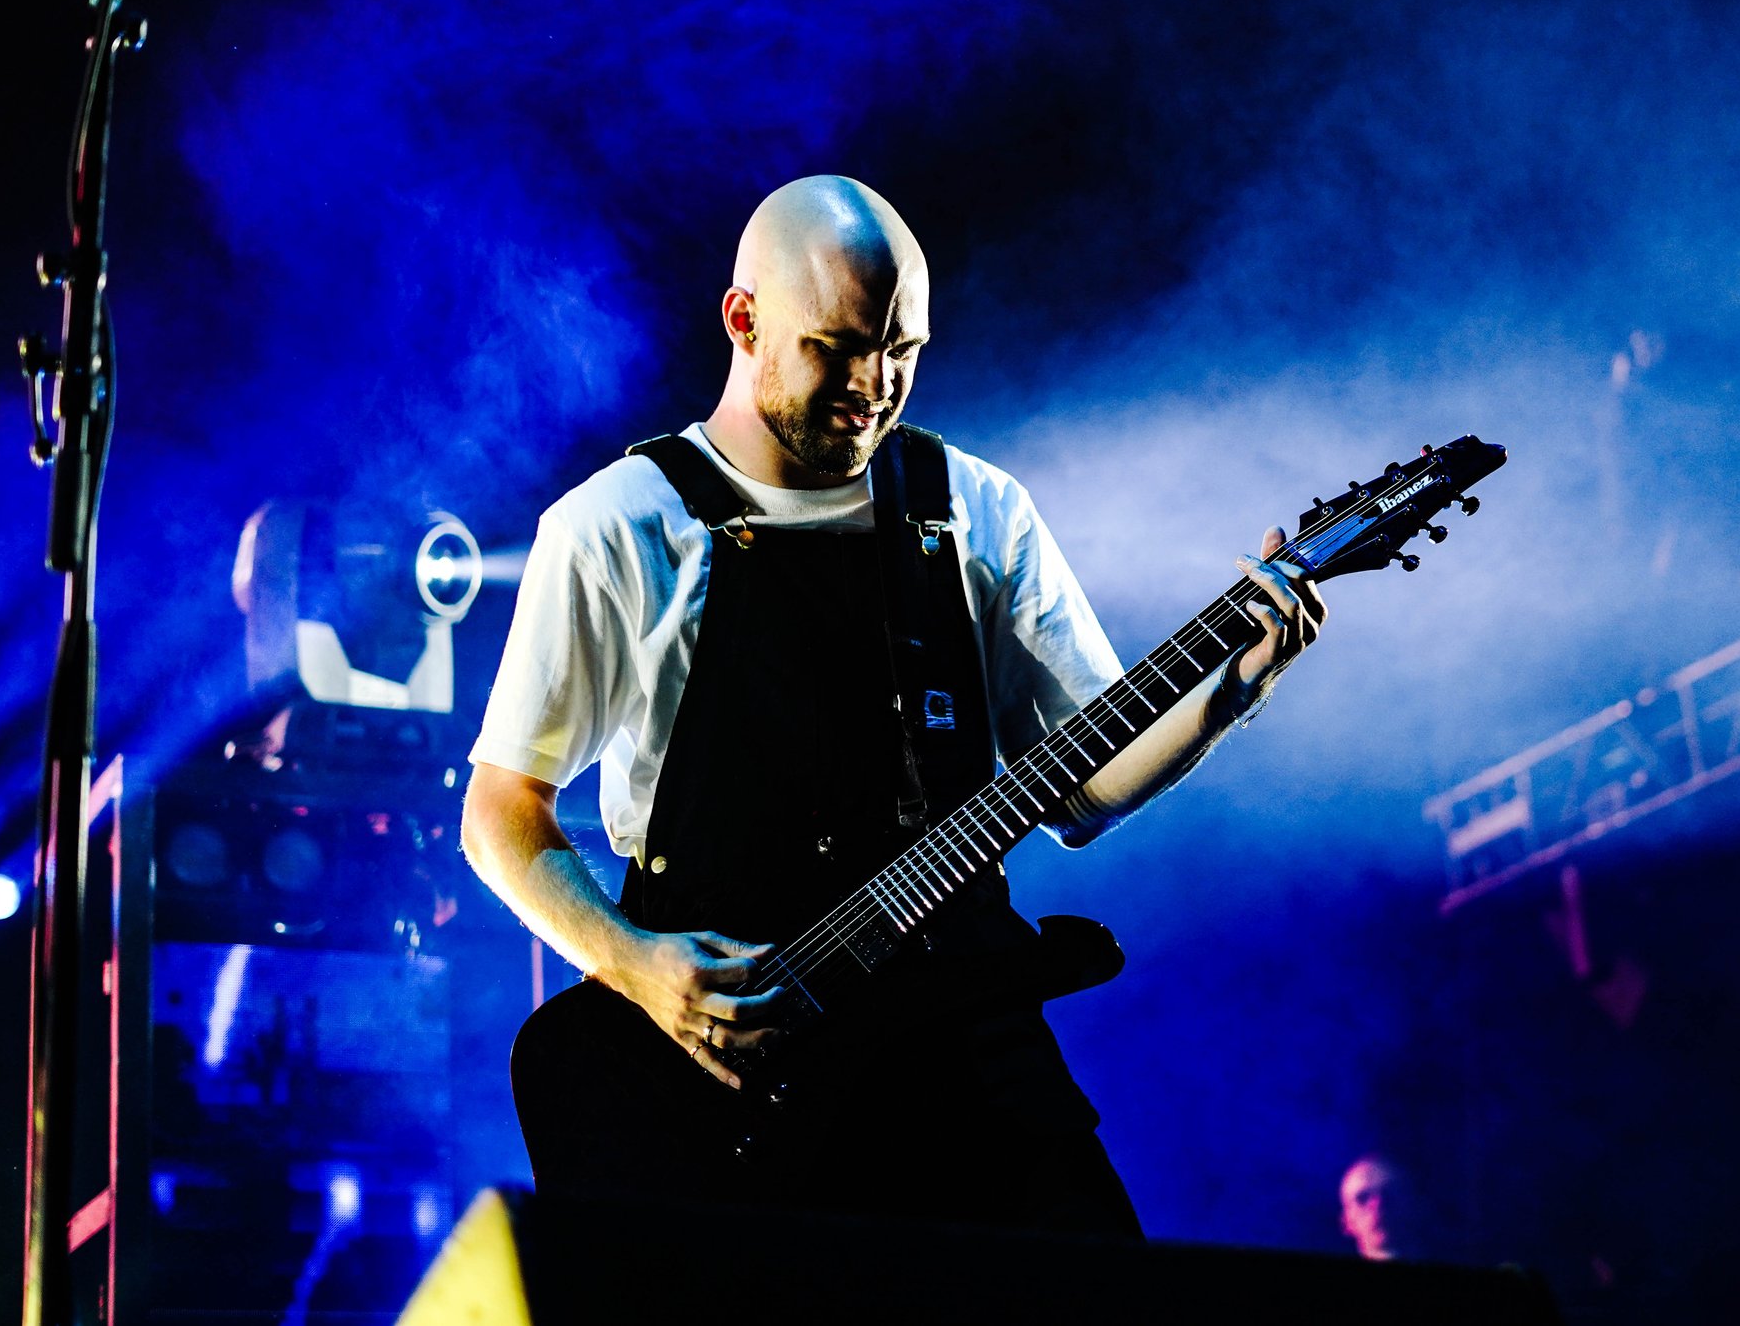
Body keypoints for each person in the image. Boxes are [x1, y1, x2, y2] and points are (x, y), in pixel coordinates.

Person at [459, 175, 1326, 1235]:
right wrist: (638, 967)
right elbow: (502, 807)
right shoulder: (615, 526)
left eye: (902, 349)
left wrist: (1225, 697)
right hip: (737, 1070)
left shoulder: (978, 509)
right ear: (744, 319)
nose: (873, 383)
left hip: (967, 1036)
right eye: (836, 345)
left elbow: (1082, 783)